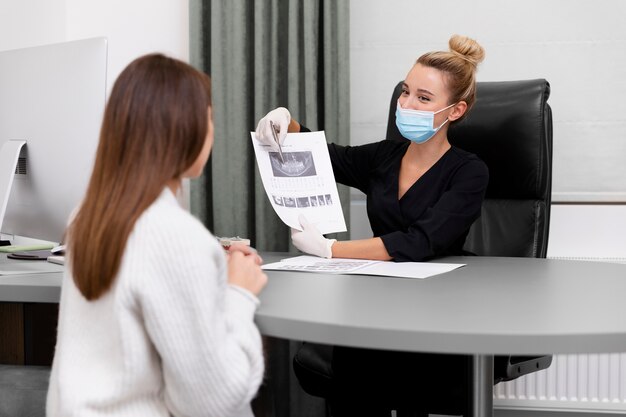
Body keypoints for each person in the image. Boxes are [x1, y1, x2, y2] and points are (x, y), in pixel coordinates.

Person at [255, 35, 489, 415]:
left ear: (456, 111)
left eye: (423, 98)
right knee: (351, 364)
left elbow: (421, 241)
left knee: (387, 372)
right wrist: (287, 123)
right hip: (377, 299)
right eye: (405, 92)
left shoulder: (469, 171)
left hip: (438, 308)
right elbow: (329, 157)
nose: (407, 104)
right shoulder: (385, 155)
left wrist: (332, 250)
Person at [47, 54, 267, 417]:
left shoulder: (87, 216)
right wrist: (238, 294)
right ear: (183, 128)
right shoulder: (176, 238)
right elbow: (215, 401)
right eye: (209, 117)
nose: (213, 130)